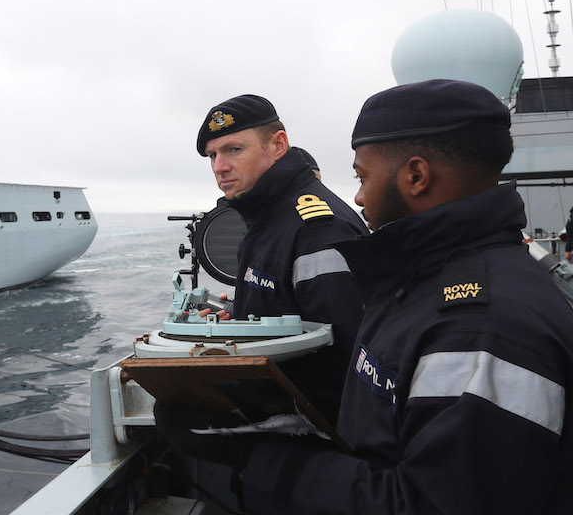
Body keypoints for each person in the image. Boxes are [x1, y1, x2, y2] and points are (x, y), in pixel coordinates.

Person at [242, 79, 573, 514]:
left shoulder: (481, 329)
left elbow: (430, 504)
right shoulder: (421, 282)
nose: (357, 197)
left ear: (415, 176)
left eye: (363, 176)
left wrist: (259, 462)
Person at [195, 94, 368, 423]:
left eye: (234, 149)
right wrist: (239, 321)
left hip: (314, 416)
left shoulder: (316, 230)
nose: (219, 166)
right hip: (282, 392)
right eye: (213, 155)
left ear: (277, 145)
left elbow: (346, 358)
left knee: (178, 418)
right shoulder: (268, 218)